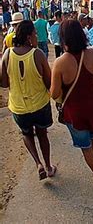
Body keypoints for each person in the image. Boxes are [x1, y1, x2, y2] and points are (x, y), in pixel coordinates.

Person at [50, 19, 93, 192]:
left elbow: (54, 94)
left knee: (85, 147)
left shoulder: (60, 62)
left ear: (63, 38)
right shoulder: (92, 54)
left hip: (75, 111)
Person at [1, 20, 56, 180]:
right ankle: (48, 166)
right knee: (42, 134)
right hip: (40, 104)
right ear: (28, 36)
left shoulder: (7, 54)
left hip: (18, 106)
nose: (36, 36)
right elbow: (48, 82)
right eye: (34, 33)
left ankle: (38, 163)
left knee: (27, 134)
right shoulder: (37, 54)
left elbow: (3, 83)